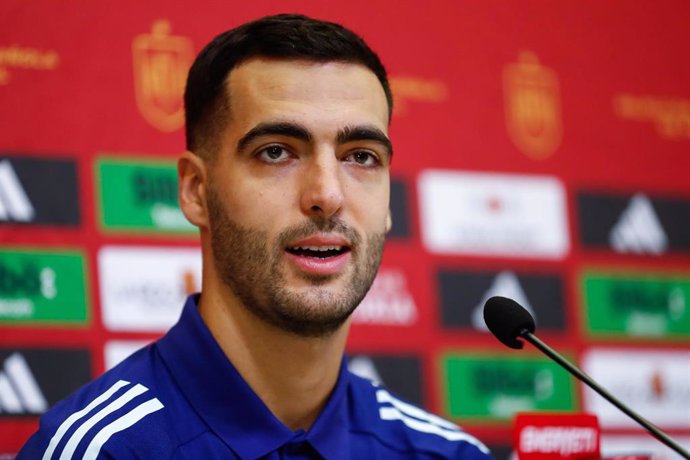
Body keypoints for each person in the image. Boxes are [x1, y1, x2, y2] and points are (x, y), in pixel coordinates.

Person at [19, 14, 492, 459]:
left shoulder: (446, 453)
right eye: (276, 152)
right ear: (195, 191)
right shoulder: (100, 450)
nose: (327, 194)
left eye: (361, 157)